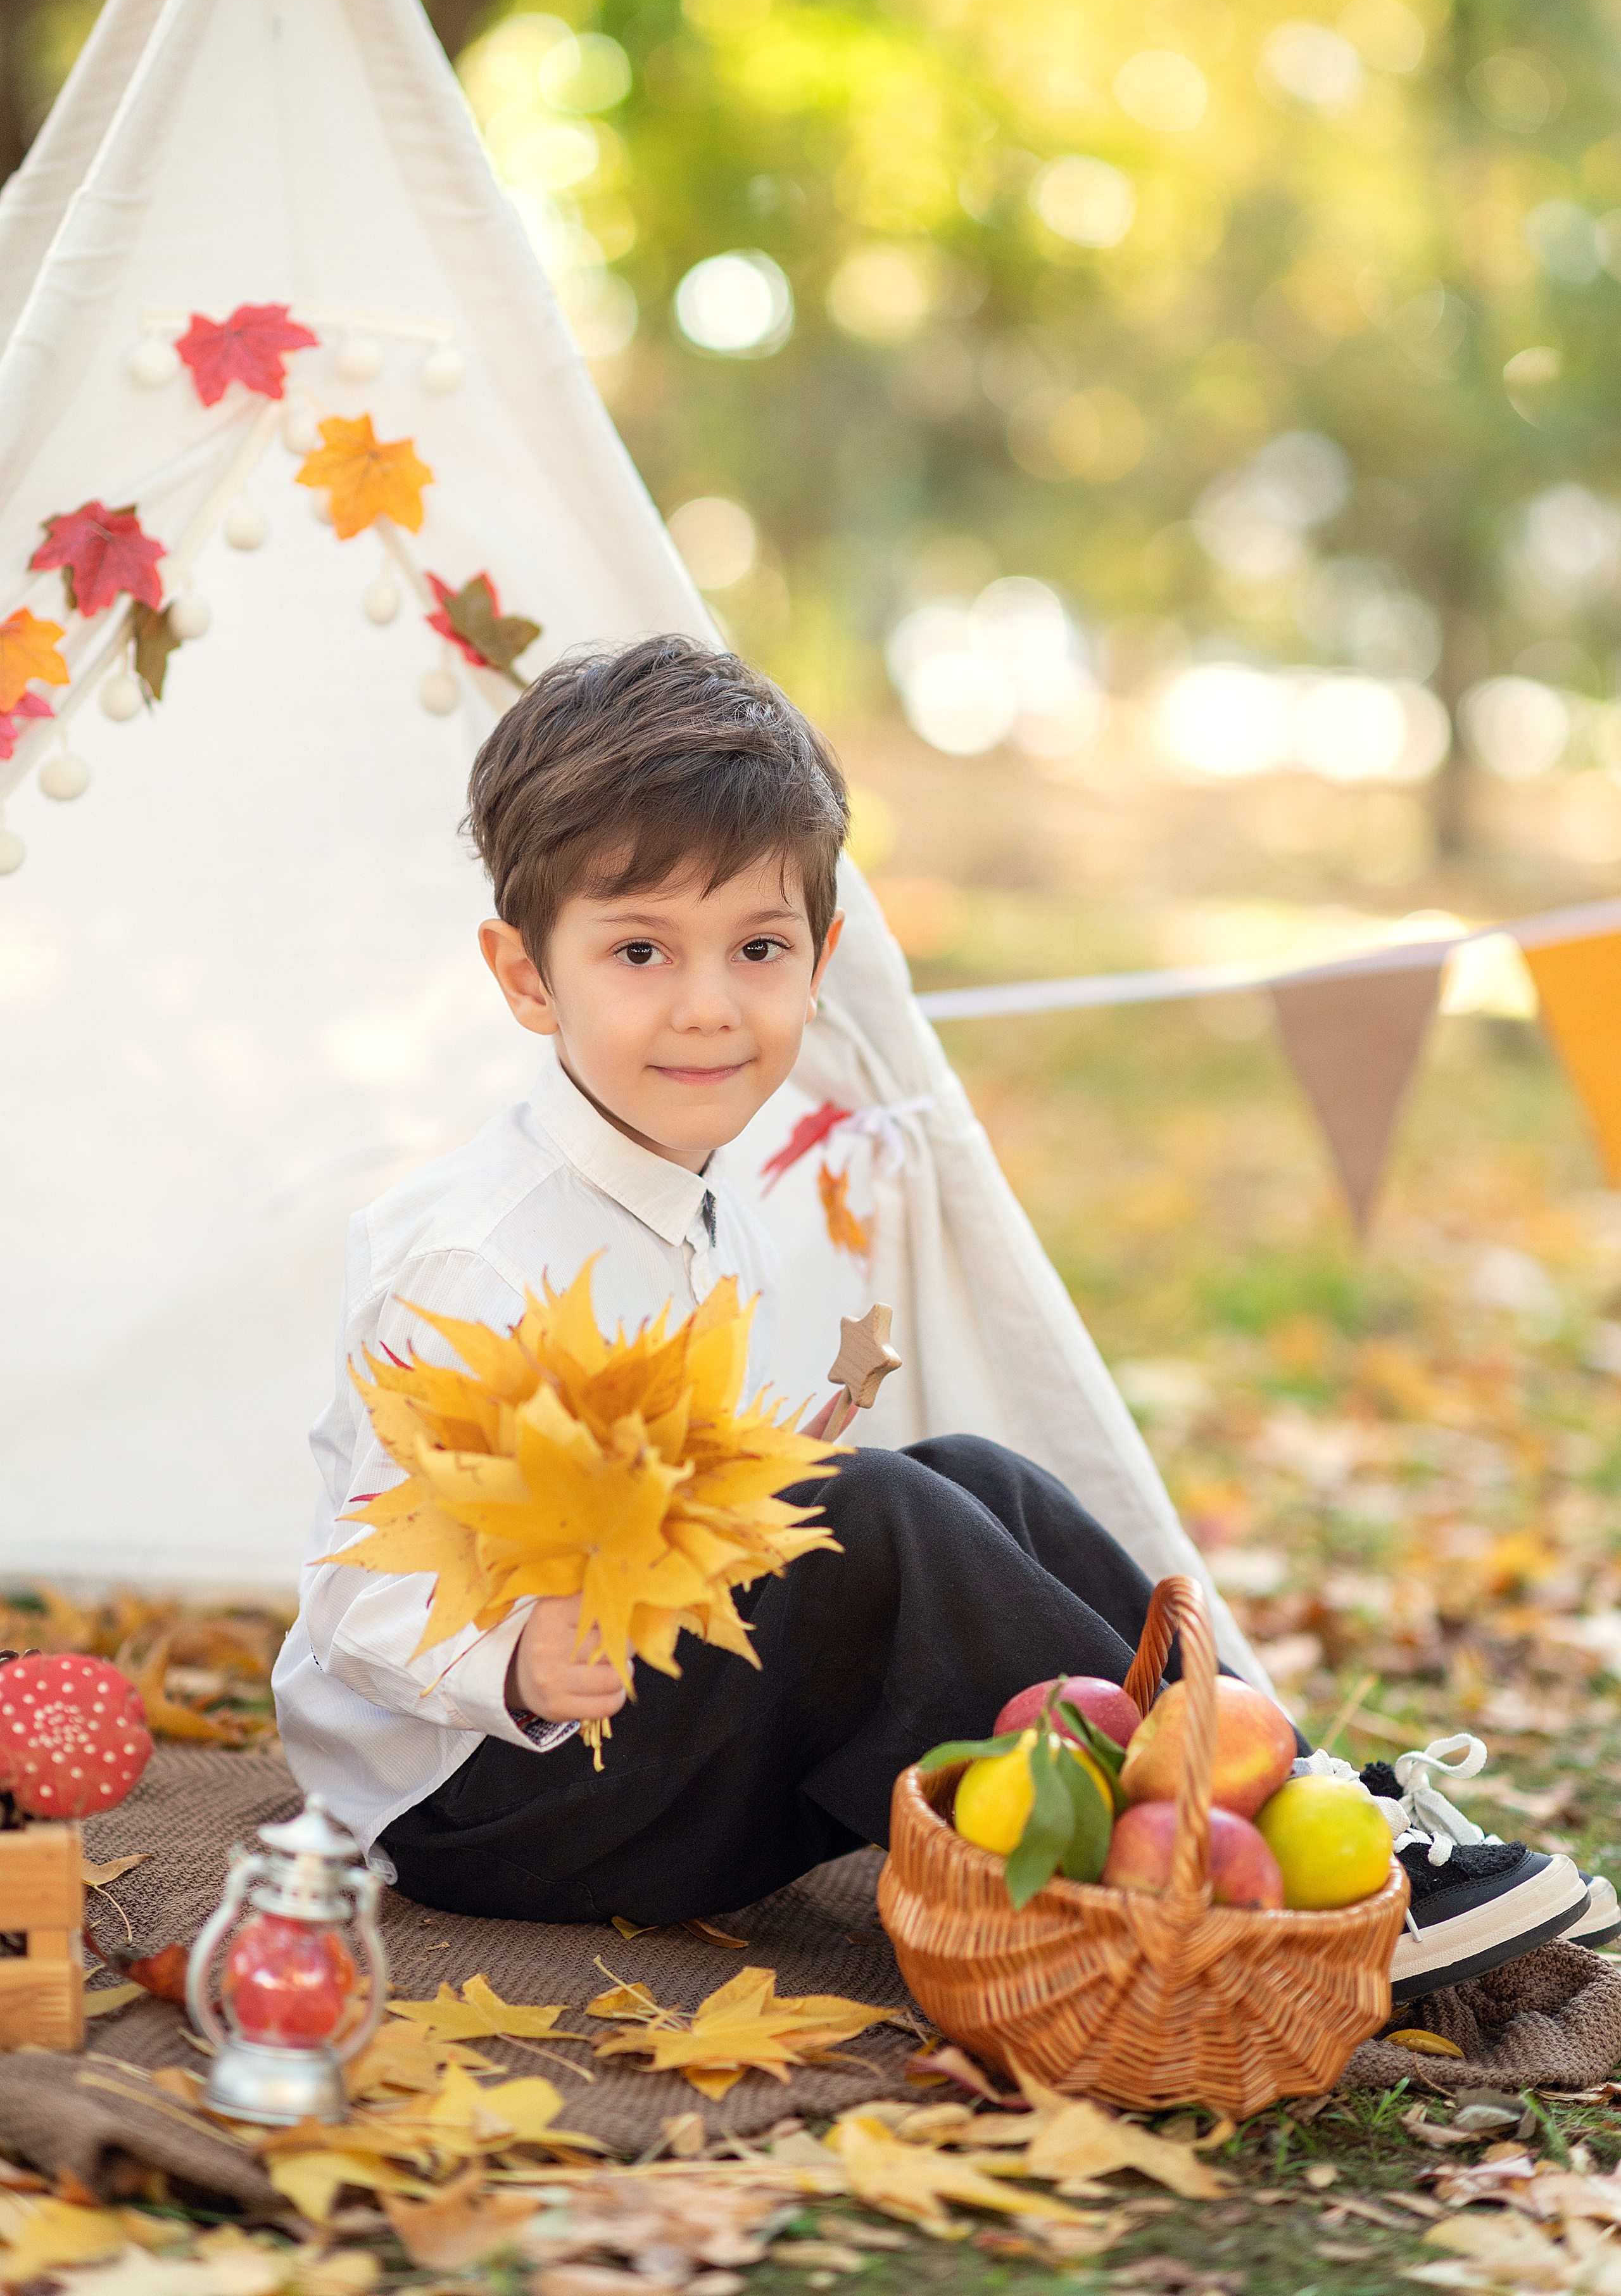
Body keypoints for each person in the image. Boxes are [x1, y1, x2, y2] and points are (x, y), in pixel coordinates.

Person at [272, 636, 1609, 2001]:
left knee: (970, 1477)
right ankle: (1230, 1863)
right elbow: (352, 1588)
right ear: (526, 977)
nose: (706, 1005)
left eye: (756, 947)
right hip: (478, 1804)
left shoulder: (686, 1195)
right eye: (637, 950)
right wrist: (505, 1658)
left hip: (629, 1732)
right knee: (869, 1516)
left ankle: (1270, 1794)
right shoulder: (475, 1253)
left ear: (819, 957)